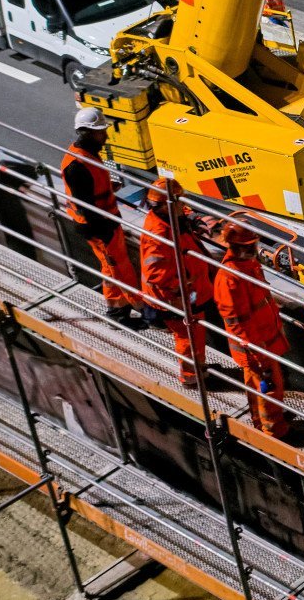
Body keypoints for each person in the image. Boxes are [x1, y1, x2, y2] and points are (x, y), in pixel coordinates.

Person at [60, 106, 141, 326]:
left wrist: (108, 187)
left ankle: (117, 312)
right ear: (88, 132)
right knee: (120, 269)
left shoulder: (87, 155)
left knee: (110, 267)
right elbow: (85, 205)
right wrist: (104, 232)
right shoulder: (77, 165)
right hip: (99, 227)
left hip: (105, 222)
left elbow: (91, 191)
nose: (105, 135)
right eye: (101, 131)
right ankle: (144, 311)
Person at [214, 223, 292, 438]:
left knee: (257, 386)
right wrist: (260, 354)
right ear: (235, 247)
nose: (253, 249)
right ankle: (275, 431)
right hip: (256, 348)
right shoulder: (230, 278)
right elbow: (240, 324)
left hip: (264, 342)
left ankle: (261, 421)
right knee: (269, 389)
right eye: (249, 246)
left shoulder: (248, 266)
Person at [139, 176, 211, 390]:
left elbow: (182, 219)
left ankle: (198, 368)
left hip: (187, 293)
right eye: (180, 201)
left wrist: (194, 219)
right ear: (167, 204)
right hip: (176, 298)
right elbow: (155, 272)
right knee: (188, 337)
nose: (184, 205)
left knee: (194, 335)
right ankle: (191, 376)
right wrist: (182, 287)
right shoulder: (159, 234)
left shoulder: (167, 218)